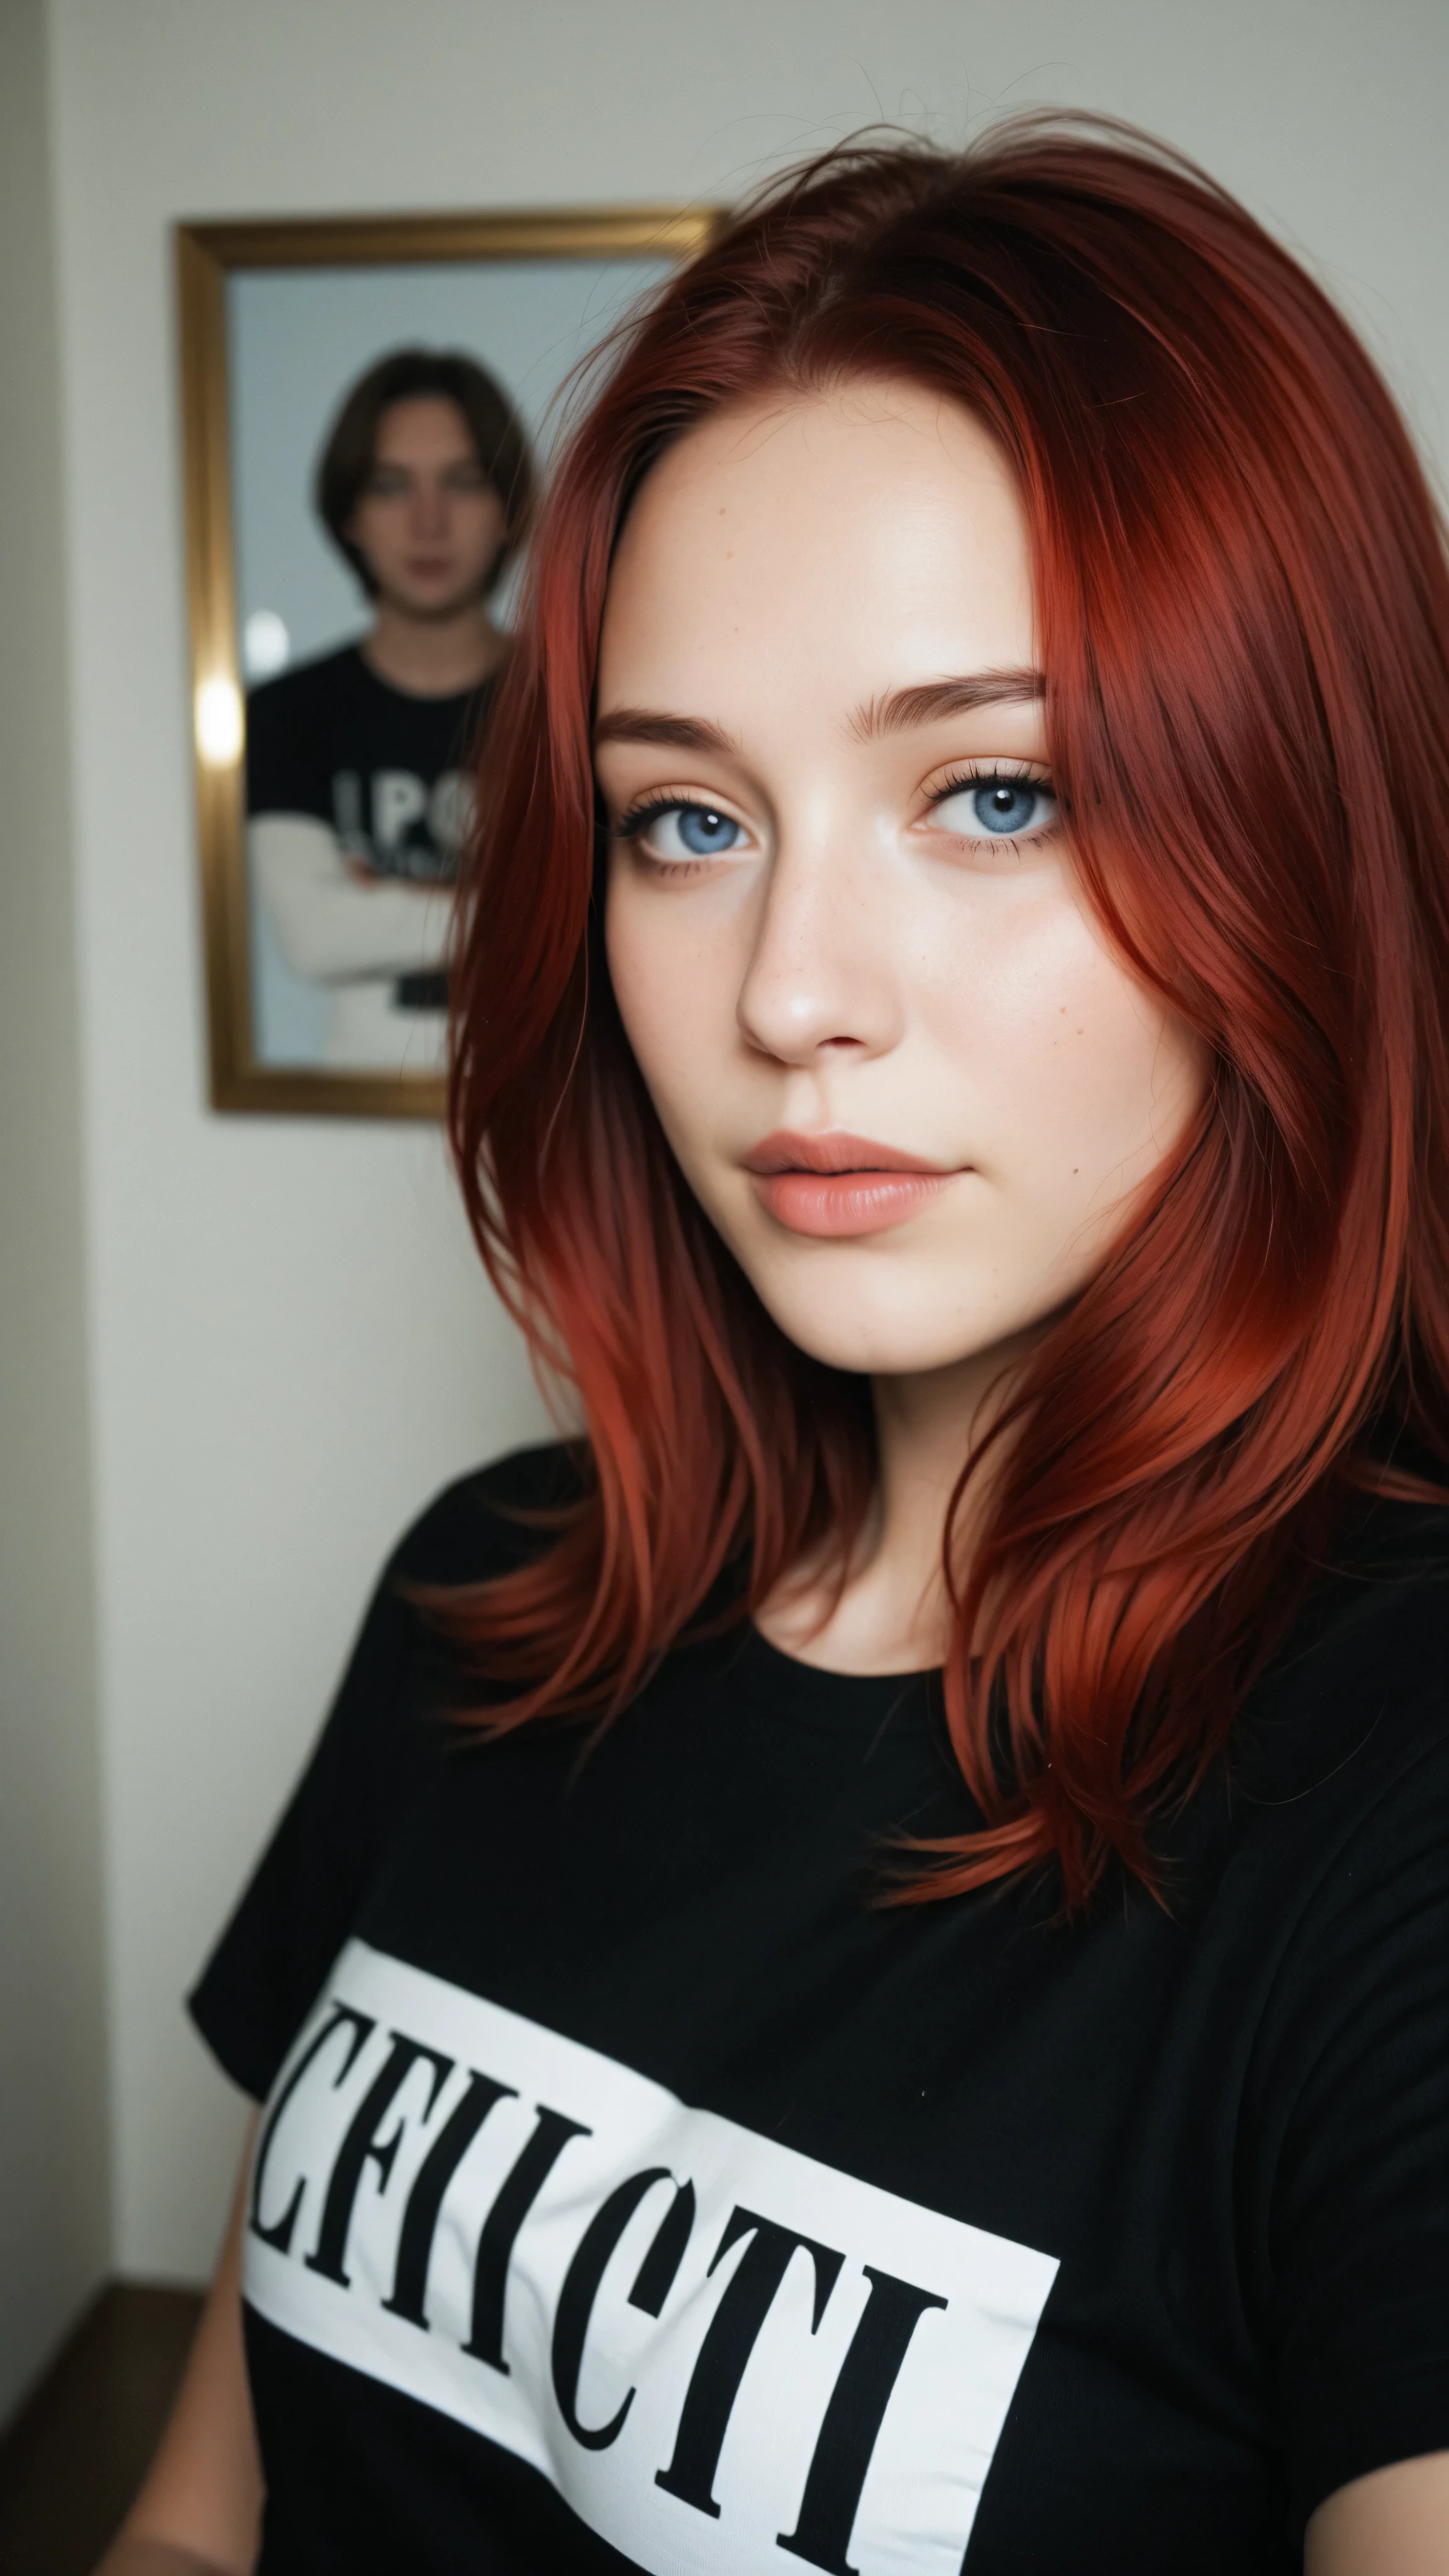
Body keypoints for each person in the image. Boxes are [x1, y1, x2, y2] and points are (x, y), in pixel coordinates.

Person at [104, 121, 1449, 2575]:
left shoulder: (1390, 1808)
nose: (789, 997)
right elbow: (202, 2523)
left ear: (1301, 821)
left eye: (996, 790)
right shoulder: (487, 1599)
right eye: (685, 824)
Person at [245, 347, 534, 1072]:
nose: (428, 522)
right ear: (349, 514)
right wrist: (503, 905)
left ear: (509, 507)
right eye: (391, 486)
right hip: (356, 1107)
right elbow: (314, 934)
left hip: (544, 1099)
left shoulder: (569, 700)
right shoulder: (289, 713)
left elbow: (602, 918)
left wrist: (395, 905)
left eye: (463, 483)